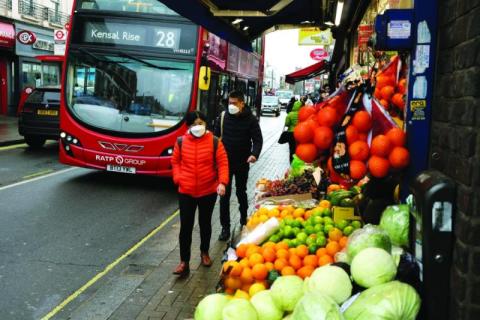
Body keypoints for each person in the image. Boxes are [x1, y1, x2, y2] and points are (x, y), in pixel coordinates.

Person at [171, 111, 229, 276]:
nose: (198, 127)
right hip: (186, 191)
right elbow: (175, 162)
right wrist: (178, 179)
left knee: (205, 224)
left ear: (206, 124)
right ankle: (184, 262)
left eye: (201, 123)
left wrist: (222, 183)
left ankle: (204, 253)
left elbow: (223, 163)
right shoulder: (181, 142)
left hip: (207, 191)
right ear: (188, 126)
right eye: (194, 124)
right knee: (186, 227)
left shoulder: (215, 142)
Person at [215, 90, 263, 241]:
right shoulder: (223, 117)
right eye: (229, 103)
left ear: (242, 103)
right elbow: (215, 139)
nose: (231, 106)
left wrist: (254, 154)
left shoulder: (251, 119)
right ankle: (225, 228)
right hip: (225, 163)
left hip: (243, 162)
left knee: (241, 192)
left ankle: (243, 218)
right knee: (224, 196)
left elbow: (257, 139)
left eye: (234, 103)